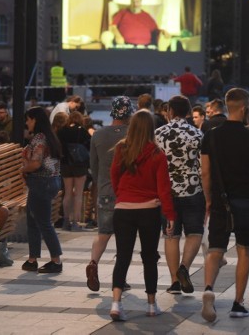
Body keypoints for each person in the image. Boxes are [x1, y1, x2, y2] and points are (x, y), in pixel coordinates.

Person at [200, 88, 249, 322]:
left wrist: (208, 199)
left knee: (215, 250)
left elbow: (205, 172)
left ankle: (209, 288)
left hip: (220, 200)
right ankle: (238, 303)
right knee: (244, 251)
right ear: (244, 108)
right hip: (245, 201)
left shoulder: (211, 135)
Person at [108, 110, 175, 321]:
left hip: (123, 209)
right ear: (150, 128)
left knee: (123, 256)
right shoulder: (157, 154)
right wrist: (170, 215)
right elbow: (163, 188)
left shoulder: (121, 149)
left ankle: (116, 303)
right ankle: (152, 305)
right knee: (149, 257)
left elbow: (114, 175)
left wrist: (122, 195)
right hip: (149, 210)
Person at [155, 95, 205, 295]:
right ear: (187, 111)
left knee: (171, 236)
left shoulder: (158, 134)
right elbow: (203, 167)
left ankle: (175, 281)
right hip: (194, 190)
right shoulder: (197, 134)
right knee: (195, 233)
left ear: (170, 112)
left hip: (167, 193)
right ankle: (184, 267)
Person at [86, 96, 134, 292]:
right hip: (128, 194)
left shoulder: (97, 135)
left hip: (106, 191)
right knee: (125, 239)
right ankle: (119, 279)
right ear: (129, 113)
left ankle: (93, 263)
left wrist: (102, 184)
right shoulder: (134, 136)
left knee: (103, 234)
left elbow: (93, 166)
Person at [21, 106, 64, 273]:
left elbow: (36, 163)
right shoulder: (50, 136)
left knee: (44, 223)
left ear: (35, 120)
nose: (27, 123)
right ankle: (32, 259)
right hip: (52, 181)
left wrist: (22, 170)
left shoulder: (39, 139)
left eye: (28, 119)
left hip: (41, 183)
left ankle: (56, 261)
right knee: (33, 221)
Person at [57, 110, 91, 231]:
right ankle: (76, 223)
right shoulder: (82, 131)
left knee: (67, 193)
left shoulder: (62, 131)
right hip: (80, 165)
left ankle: (66, 221)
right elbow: (89, 147)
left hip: (66, 164)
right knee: (78, 194)